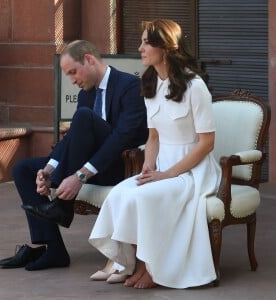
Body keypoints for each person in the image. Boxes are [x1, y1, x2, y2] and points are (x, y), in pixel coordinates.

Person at [88, 19, 222, 289]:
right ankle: (133, 263)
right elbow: (153, 137)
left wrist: (170, 174)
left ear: (166, 47)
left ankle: (154, 268)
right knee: (122, 193)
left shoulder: (195, 87)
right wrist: (148, 167)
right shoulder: (151, 86)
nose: (140, 48)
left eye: (146, 42)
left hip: (194, 172)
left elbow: (207, 143)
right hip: (162, 167)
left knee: (147, 197)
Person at [0, 40, 148, 271]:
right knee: (24, 169)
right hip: (85, 166)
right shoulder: (85, 95)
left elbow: (121, 138)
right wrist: (49, 169)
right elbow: (71, 140)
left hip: (121, 167)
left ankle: (62, 204)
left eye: (73, 72)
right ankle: (54, 250)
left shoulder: (130, 86)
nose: (72, 80)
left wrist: (80, 176)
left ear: (89, 59)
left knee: (84, 117)